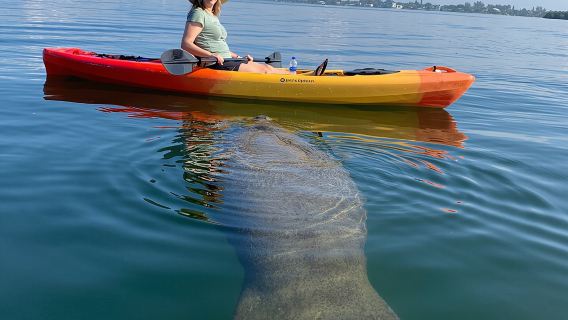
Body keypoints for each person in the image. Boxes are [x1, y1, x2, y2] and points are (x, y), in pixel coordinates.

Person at [181, 0, 327, 75]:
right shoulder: (198, 13)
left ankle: (308, 75)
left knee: (267, 67)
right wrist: (211, 55)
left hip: (227, 59)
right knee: (265, 71)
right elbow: (186, 44)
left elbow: (218, 45)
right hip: (214, 63)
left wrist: (239, 56)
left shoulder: (211, 15)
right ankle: (308, 78)